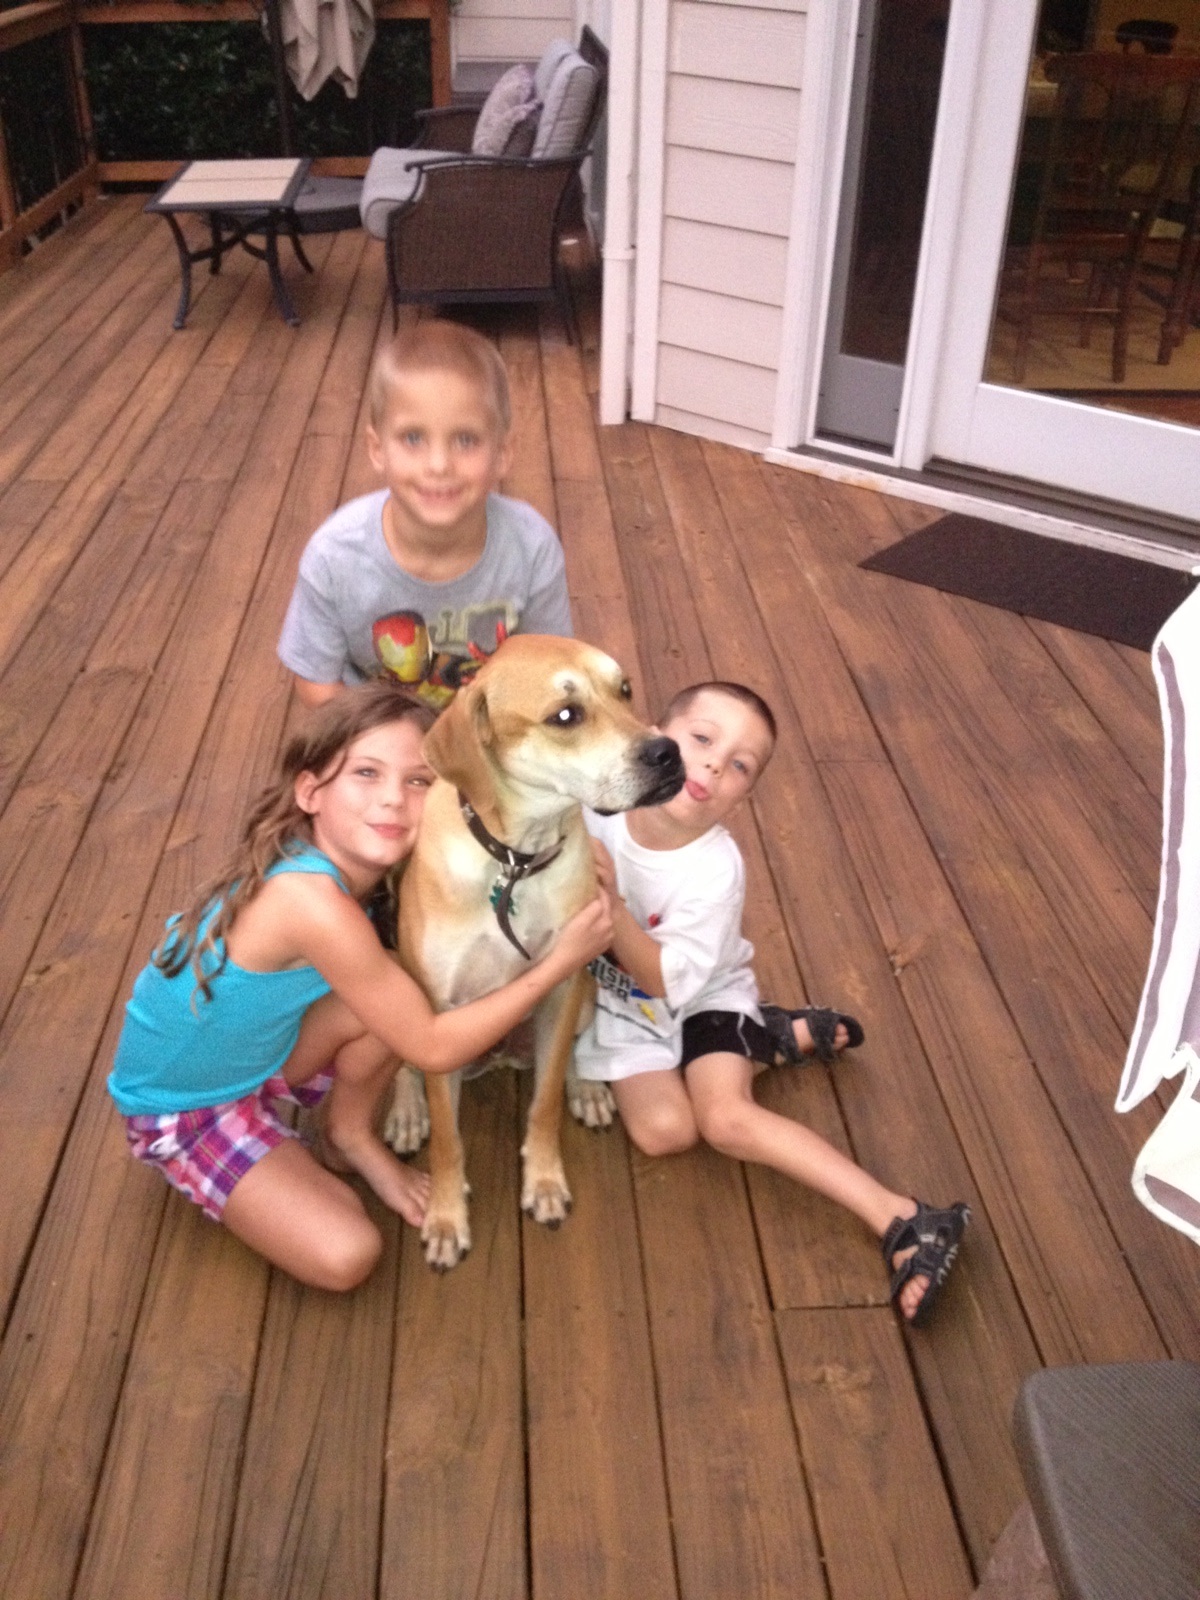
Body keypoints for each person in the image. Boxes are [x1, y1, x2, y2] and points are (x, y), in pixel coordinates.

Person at [107, 682, 612, 1292]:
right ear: (310, 792)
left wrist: (560, 862)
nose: (394, 799)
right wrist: (559, 965)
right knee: (349, 1251)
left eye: (419, 780)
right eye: (366, 773)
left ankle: (347, 1134)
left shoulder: (350, 868)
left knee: (398, 984)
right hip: (187, 1108)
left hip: (264, 1056)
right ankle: (281, 1147)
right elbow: (431, 1047)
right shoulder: (311, 902)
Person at [577, 681, 969, 1325]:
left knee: (724, 1121)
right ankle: (772, 1036)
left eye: (739, 765)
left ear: (746, 795)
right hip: (626, 1005)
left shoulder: (714, 871)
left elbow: (664, 980)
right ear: (653, 734)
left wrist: (612, 905)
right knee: (664, 1132)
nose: (712, 765)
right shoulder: (595, 808)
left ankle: (904, 1218)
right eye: (701, 739)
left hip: (698, 996)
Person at [277, 320, 572, 713]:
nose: (438, 464)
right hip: (375, 728)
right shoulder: (334, 556)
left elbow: (549, 669)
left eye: (465, 440)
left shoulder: (531, 548)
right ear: (377, 449)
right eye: (413, 438)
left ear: (503, 454)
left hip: (486, 726)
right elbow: (317, 684)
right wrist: (396, 736)